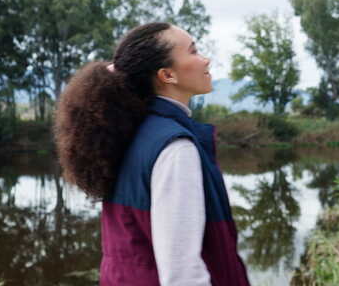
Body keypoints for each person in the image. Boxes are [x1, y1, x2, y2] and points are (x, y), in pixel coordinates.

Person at [54, 22, 250, 286]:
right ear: (167, 75)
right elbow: (182, 275)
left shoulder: (131, 132)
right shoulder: (175, 147)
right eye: (193, 51)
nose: (205, 60)